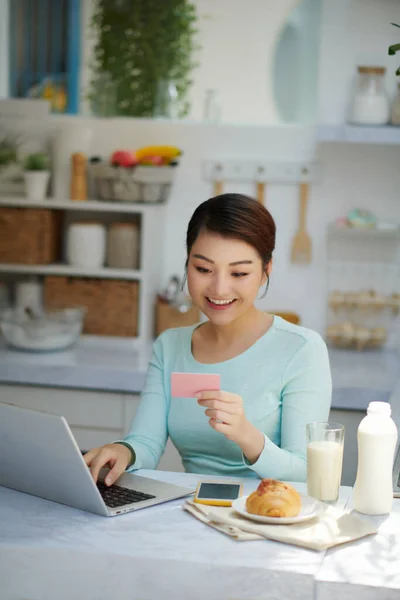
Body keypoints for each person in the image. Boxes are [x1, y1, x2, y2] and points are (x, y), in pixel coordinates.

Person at [84, 193, 332, 485]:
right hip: (192, 512)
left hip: (266, 515)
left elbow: (307, 474)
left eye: (239, 272)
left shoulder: (302, 349)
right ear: (187, 263)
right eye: (203, 269)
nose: (219, 288)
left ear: (266, 271)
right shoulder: (170, 346)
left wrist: (247, 436)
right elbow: (146, 444)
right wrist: (123, 451)